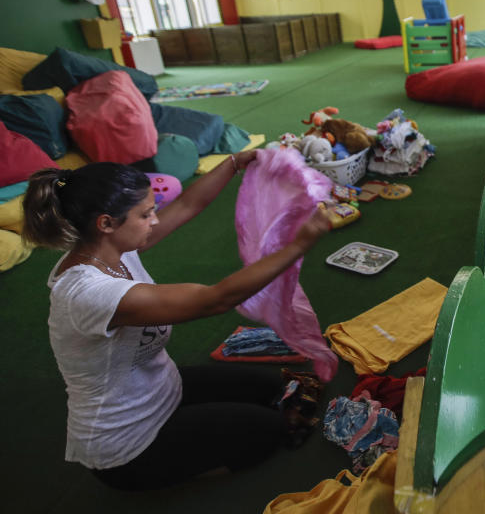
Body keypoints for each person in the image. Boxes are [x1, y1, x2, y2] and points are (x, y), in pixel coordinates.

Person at [21, 151, 332, 491]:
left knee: (270, 388)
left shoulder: (110, 248)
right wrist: (299, 244)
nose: (155, 220)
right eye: (146, 213)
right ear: (106, 223)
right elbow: (216, 299)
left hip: (161, 388)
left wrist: (233, 162)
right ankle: (166, 475)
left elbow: (186, 206)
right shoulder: (88, 292)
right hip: (126, 446)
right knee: (271, 430)